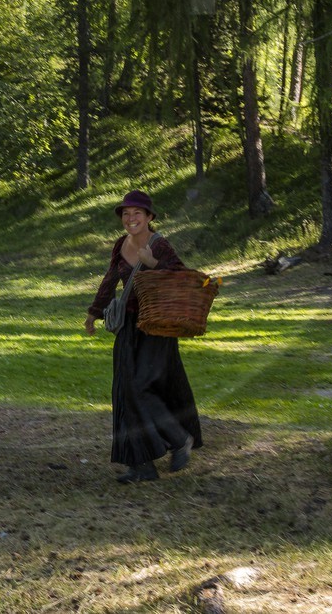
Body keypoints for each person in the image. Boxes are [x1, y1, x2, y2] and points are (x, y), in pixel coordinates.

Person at [84, 189, 202, 483]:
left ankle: (178, 438)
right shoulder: (120, 245)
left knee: (141, 387)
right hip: (130, 326)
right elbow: (111, 278)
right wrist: (94, 312)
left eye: (137, 213)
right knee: (125, 392)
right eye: (126, 213)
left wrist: (152, 264)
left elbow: (182, 278)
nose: (130, 218)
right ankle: (142, 466)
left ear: (149, 217)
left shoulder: (159, 245)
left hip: (157, 327)